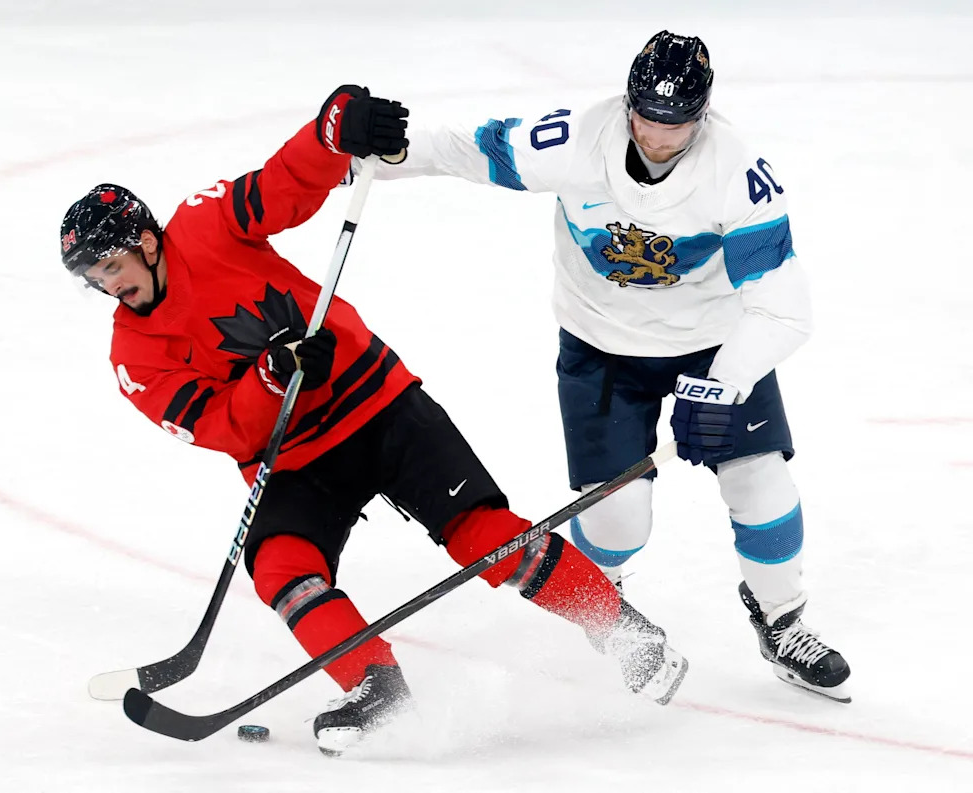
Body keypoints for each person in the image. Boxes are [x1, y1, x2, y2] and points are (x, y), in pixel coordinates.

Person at [59, 84, 689, 755]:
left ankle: (625, 631)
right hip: (295, 454)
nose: (105, 283)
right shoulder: (134, 355)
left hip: (378, 401)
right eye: (92, 276)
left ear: (148, 240)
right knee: (279, 563)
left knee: (482, 535)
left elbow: (282, 187)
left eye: (109, 263)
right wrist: (271, 377)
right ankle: (375, 684)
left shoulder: (205, 223)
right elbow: (227, 429)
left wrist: (332, 130)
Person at [370, 32, 851, 702]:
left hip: (712, 344)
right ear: (627, 106)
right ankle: (606, 608)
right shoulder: (572, 141)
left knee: (761, 482)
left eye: (675, 124)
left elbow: (785, 308)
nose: (657, 137)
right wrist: (383, 151)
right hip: (601, 349)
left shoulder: (737, 173)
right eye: (646, 118)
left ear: (702, 116)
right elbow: (471, 149)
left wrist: (723, 383)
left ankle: (783, 619)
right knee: (621, 515)